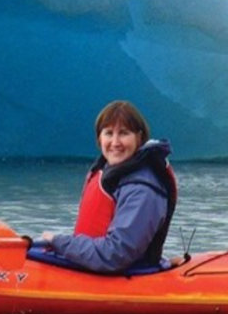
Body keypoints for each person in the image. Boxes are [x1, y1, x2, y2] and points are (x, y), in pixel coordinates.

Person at [42, 100, 177, 274]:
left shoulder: (142, 189)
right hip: (92, 270)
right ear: (99, 138)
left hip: (118, 275)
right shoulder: (112, 173)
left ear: (139, 137)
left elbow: (115, 254)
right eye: (108, 133)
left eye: (123, 133)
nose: (115, 142)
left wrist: (60, 242)